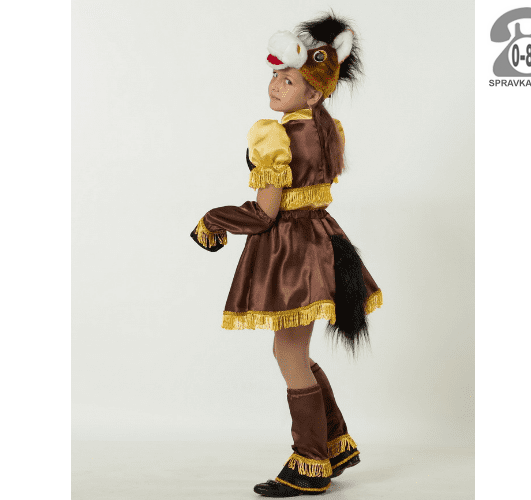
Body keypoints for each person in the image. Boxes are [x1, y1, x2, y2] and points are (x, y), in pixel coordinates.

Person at [190, 11, 382, 497]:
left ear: (313, 95)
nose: (275, 84)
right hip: (322, 241)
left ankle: (310, 461)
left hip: (293, 253)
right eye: (276, 75)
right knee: (292, 350)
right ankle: (334, 443)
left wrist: (214, 219)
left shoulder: (274, 137)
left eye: (289, 80)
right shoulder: (327, 130)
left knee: (289, 353)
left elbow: (264, 214)